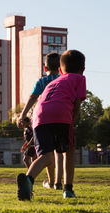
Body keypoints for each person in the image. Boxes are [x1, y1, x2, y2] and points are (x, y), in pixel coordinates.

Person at [17, 49, 87, 200]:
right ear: (83, 69)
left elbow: (38, 99)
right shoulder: (79, 78)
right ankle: (68, 189)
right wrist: (72, 120)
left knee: (46, 156)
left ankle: (28, 180)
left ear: (61, 70)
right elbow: (76, 104)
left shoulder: (51, 82)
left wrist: (23, 115)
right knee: (69, 151)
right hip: (60, 115)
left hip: (39, 117)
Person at [17, 52, 63, 190]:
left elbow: (32, 97)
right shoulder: (63, 81)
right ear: (60, 67)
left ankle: (50, 181)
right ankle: (58, 183)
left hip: (43, 119)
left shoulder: (42, 82)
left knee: (46, 153)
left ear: (45, 67)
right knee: (59, 153)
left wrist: (22, 114)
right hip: (61, 118)